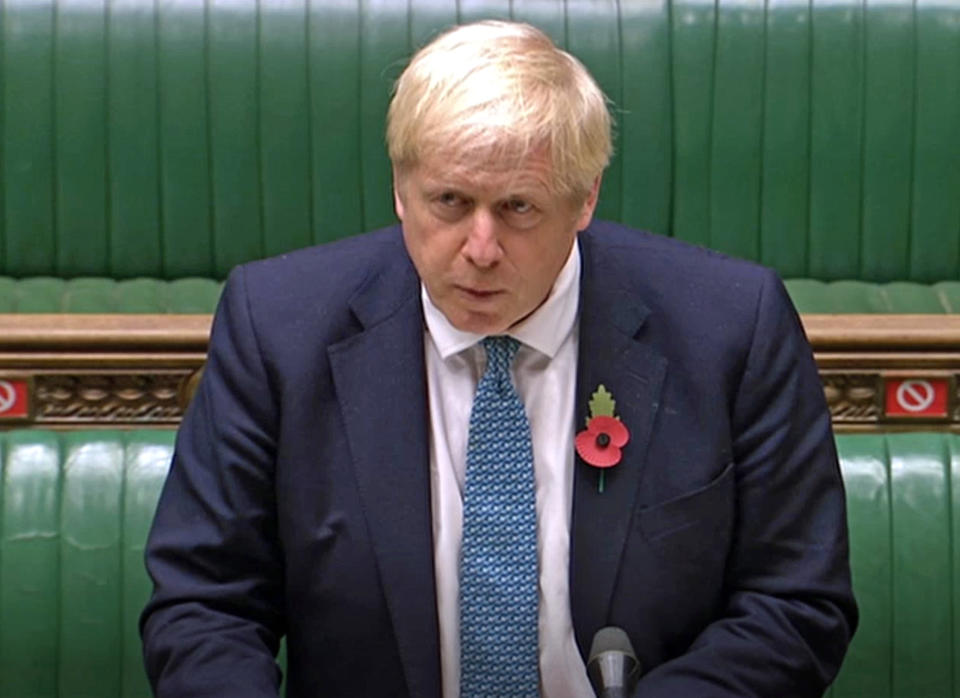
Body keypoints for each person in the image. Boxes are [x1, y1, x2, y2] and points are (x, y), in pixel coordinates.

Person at [141, 20, 857, 698]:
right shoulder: (277, 328)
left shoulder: (731, 327)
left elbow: (795, 604)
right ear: (399, 188)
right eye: (449, 202)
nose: (479, 249)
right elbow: (204, 605)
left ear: (586, 198)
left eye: (518, 208)